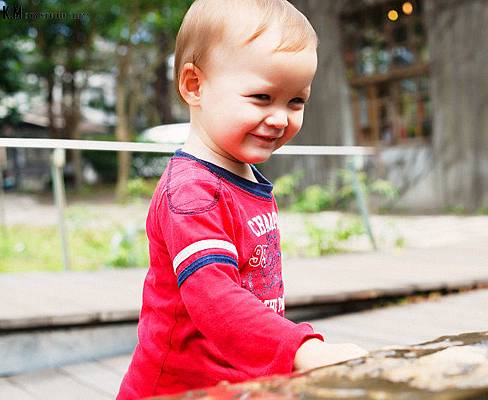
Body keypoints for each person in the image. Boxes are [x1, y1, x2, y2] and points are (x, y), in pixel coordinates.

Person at [117, 0, 368, 398]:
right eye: (261, 97)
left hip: (233, 382)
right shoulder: (192, 191)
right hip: (177, 390)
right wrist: (301, 350)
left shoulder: (241, 176)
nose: (281, 118)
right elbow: (213, 295)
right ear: (194, 85)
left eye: (296, 101)